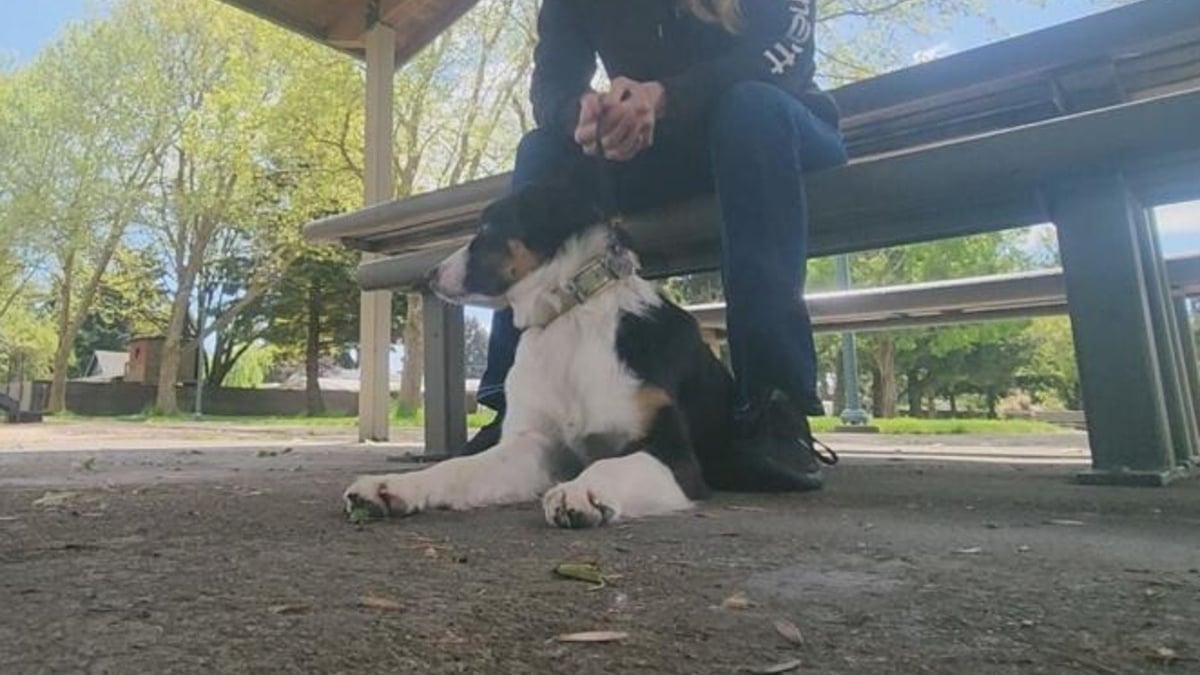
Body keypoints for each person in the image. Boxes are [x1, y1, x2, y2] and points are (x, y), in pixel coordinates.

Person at [462, 0, 847, 490]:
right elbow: (552, 80)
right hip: (659, 150)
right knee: (541, 150)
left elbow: (785, 56)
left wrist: (664, 97)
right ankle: (513, 411)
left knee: (750, 108)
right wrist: (579, 113)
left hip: (775, 128)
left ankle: (776, 407)